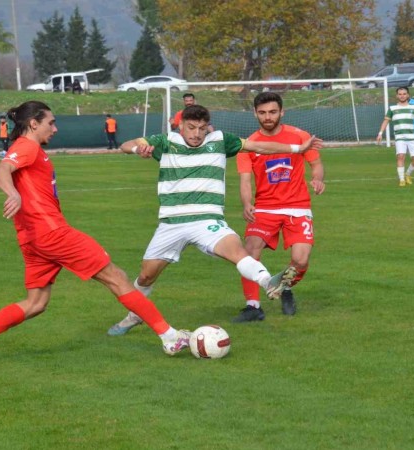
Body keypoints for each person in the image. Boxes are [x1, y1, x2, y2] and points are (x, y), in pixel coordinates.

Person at [0, 100, 192, 367]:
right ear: (33, 124)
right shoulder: (26, 147)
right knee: (116, 277)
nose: (54, 128)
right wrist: (13, 194)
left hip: (32, 238)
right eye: (50, 123)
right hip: (53, 233)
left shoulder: (31, 149)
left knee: (36, 303)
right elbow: (1, 170)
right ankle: (170, 336)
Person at [106, 104, 322, 336]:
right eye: (191, 128)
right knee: (147, 275)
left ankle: (269, 282)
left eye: (201, 128)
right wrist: (140, 149)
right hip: (171, 223)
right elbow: (126, 145)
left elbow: (259, 145)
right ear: (180, 126)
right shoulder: (166, 141)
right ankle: (134, 316)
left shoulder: (220, 140)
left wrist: (297, 147)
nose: (197, 134)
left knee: (237, 251)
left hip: (207, 220)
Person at [234, 92, 324, 322]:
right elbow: (245, 180)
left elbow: (315, 162)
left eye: (272, 112)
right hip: (265, 208)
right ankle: (253, 306)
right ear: (255, 113)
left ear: (282, 112)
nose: (267, 117)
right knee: (250, 251)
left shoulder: (299, 136)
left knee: (301, 260)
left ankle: (284, 288)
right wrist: (247, 203)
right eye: (262, 113)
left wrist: (317, 178)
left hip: (298, 206)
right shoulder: (249, 145)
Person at [376, 87, 414, 187]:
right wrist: (380, 133)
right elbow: (386, 121)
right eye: (400, 94)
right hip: (400, 138)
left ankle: (407, 174)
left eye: (404, 94)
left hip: (413, 138)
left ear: (408, 95)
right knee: (400, 157)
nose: (402, 96)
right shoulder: (392, 109)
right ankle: (401, 180)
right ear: (397, 96)